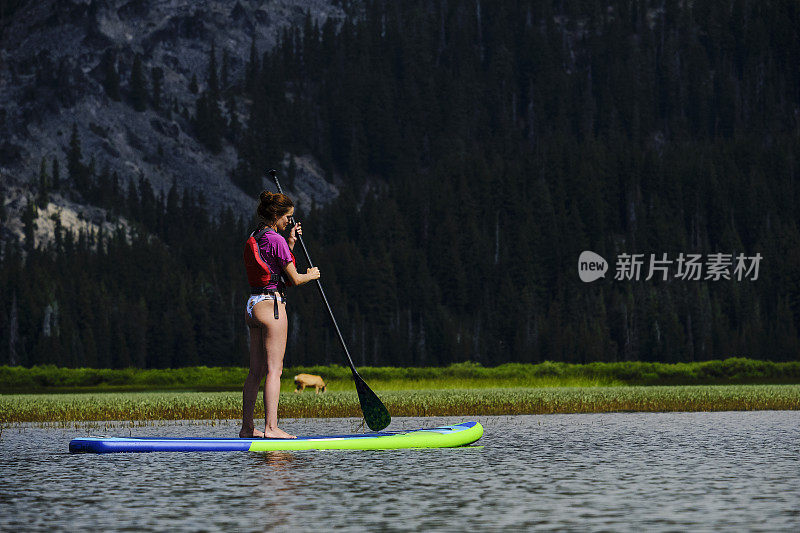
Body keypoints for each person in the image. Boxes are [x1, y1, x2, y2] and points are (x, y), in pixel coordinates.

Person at [240, 191, 320, 439]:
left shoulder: (257, 236)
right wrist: (312, 274)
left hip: (253, 306)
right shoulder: (277, 240)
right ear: (276, 215)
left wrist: (291, 242)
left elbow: (275, 267)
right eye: (288, 217)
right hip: (271, 306)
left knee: (255, 371)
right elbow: (294, 278)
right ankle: (271, 428)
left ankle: (247, 428)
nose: (290, 221)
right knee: (275, 370)